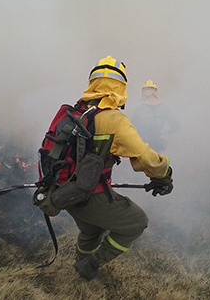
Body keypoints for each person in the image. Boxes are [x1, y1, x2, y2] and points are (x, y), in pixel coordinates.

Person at [52, 56, 173, 281]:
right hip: (90, 194)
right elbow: (145, 157)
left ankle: (81, 268)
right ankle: (91, 265)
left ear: (92, 83)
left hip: (63, 192)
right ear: (121, 87)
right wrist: (165, 173)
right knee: (137, 222)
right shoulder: (113, 119)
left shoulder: (74, 112)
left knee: (91, 230)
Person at [130, 80, 180, 153]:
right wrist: (167, 134)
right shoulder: (164, 107)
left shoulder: (139, 109)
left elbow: (131, 129)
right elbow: (176, 125)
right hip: (157, 146)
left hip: (143, 147)